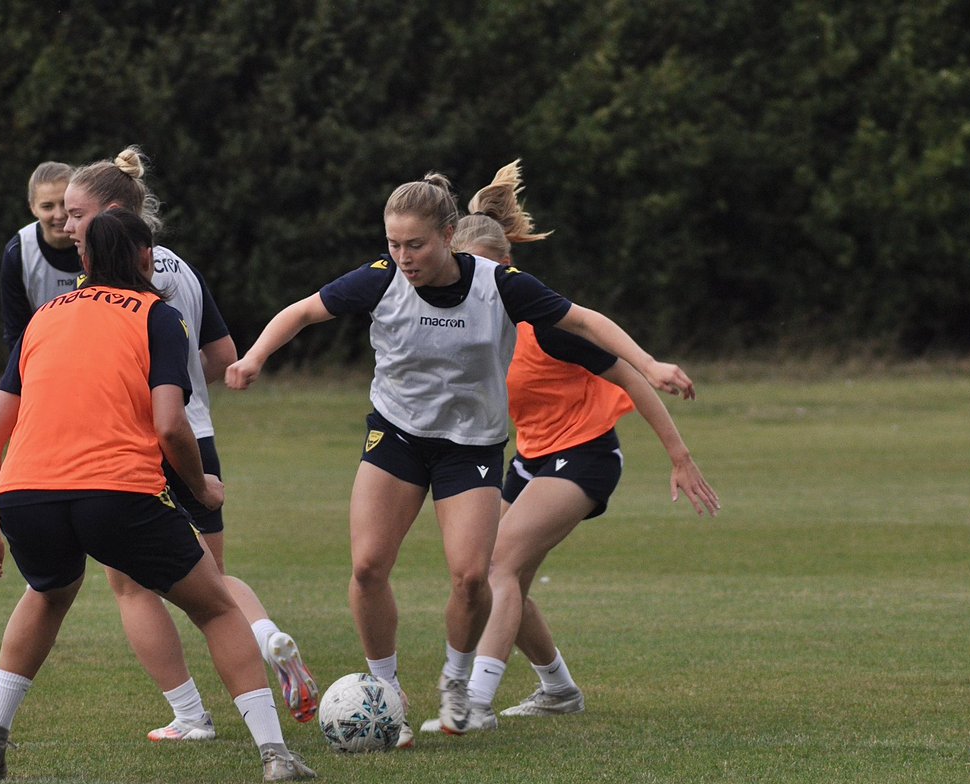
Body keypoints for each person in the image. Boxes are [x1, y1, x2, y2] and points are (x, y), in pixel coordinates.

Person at [225, 166, 698, 746]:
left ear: (448, 236)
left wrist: (649, 364)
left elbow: (584, 320)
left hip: (470, 447)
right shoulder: (378, 280)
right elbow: (301, 312)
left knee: (473, 576)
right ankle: (388, 693)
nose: (403, 256)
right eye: (394, 243)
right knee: (369, 566)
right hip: (396, 435)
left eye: (416, 244)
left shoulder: (497, 285)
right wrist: (254, 358)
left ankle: (455, 683)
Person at [0, 208, 315, 782]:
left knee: (49, 593)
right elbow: (171, 426)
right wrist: (201, 488)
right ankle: (276, 755)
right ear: (145, 257)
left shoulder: (43, 319)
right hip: (116, 493)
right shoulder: (159, 315)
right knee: (217, 607)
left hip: (26, 494)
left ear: (83, 260)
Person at [415, 161, 721, 735]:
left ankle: (473, 704)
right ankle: (558, 689)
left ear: (506, 268)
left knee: (500, 563)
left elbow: (629, 374)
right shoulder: (460, 319)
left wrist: (680, 457)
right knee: (499, 576)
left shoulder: (541, 320)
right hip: (528, 460)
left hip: (584, 457)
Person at [60, 147, 319, 740]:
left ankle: (188, 714)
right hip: (197, 436)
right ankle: (266, 636)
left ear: (115, 213)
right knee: (214, 584)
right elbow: (222, 356)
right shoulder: (180, 266)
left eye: (78, 215)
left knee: (129, 583)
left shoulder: (104, 284)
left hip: (143, 442)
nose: (68, 226)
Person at [0, 162, 84, 351]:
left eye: (65, 204)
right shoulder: (18, 252)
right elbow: (16, 333)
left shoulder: (100, 241)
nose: (59, 215)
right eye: (47, 206)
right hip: (44, 357)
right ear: (33, 208)